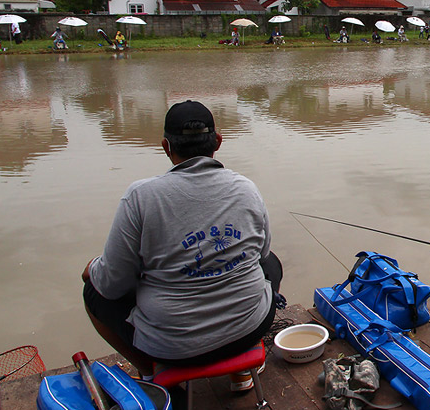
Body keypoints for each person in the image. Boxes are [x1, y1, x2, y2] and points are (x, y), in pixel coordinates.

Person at [82, 100, 284, 388]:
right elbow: (261, 253)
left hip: (174, 350)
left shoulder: (141, 197)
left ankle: (149, 371)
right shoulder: (245, 188)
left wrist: (93, 268)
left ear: (166, 146)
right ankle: (241, 370)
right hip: (250, 328)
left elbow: (112, 282)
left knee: (94, 291)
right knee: (270, 262)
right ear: (217, 141)